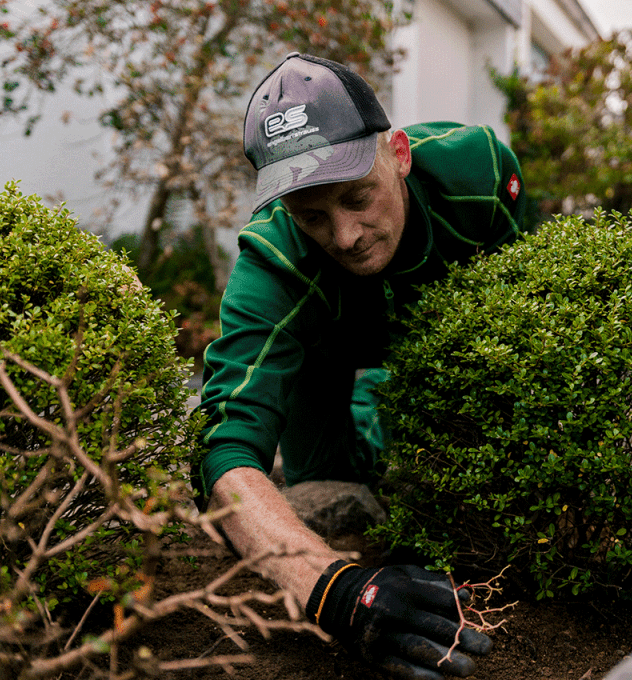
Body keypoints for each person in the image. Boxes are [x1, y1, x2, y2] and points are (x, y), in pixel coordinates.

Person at [194, 52, 528, 679]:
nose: (344, 235)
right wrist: (331, 588)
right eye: (313, 215)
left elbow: (526, 323)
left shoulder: (478, 173)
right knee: (331, 482)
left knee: (440, 464)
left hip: (445, 336)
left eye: (358, 197)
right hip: (324, 359)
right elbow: (224, 448)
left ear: (398, 154)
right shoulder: (270, 267)